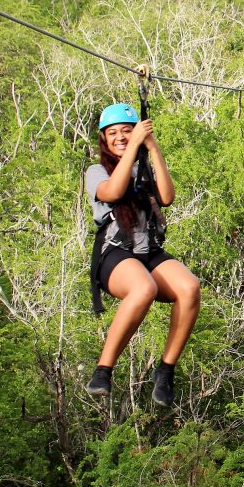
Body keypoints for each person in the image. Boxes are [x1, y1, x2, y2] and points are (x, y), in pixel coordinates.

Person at [84, 103, 201, 407]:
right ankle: (103, 371)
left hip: (148, 252)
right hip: (116, 255)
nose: (120, 137)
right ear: (104, 139)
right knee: (143, 288)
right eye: (113, 133)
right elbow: (112, 192)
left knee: (189, 288)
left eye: (126, 131)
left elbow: (167, 197)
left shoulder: (143, 168)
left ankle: (165, 372)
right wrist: (135, 142)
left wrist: (151, 146)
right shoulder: (96, 172)